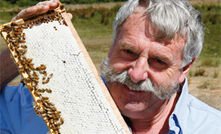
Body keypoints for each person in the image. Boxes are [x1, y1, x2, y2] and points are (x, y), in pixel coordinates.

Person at [0, 0, 221, 133]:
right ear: (111, 45)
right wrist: (24, 46)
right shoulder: (45, 103)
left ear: (185, 68)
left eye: (159, 61)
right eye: (128, 52)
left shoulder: (212, 128)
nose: (136, 74)